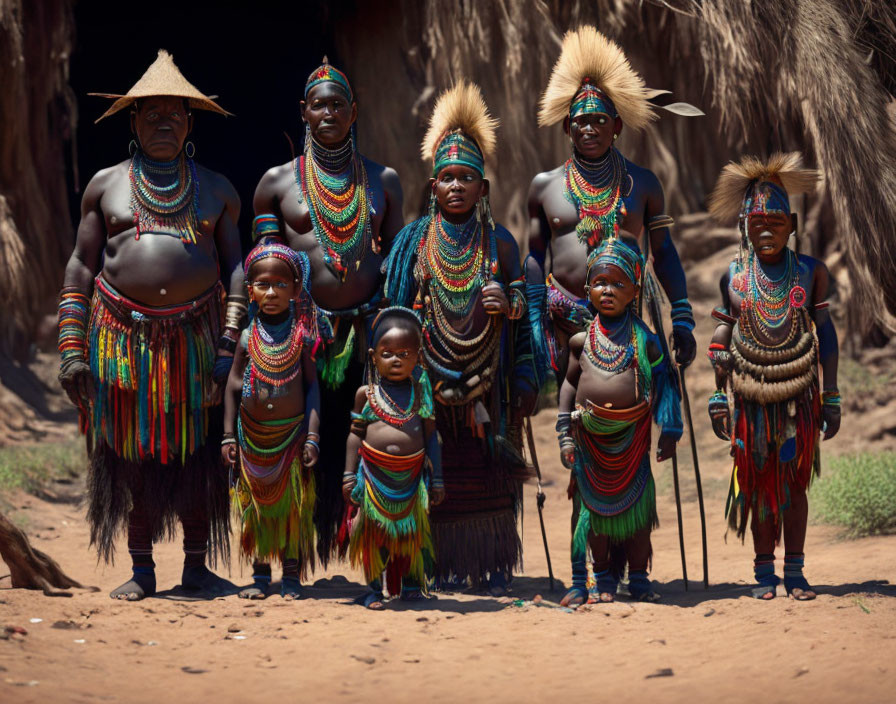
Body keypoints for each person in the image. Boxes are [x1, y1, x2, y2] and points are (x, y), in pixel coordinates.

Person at [57, 50, 245, 600]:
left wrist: (228, 345)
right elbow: (79, 264)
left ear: (191, 123)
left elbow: (237, 268)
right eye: (151, 112)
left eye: (175, 112)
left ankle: (195, 567)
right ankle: (142, 571)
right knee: (131, 455)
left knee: (197, 457)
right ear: (133, 122)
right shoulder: (105, 185)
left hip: (197, 339)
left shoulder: (217, 190)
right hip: (121, 340)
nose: (164, 120)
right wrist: (71, 344)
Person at [527, 26, 697, 605]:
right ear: (566, 125)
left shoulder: (643, 186)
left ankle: (635, 571)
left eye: (601, 118)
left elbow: (666, 256)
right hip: (564, 331)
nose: (590, 127)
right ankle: (587, 575)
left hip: (633, 334)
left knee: (633, 460)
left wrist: (681, 317)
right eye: (580, 119)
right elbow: (532, 260)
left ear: (618, 124)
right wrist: (530, 322)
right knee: (580, 456)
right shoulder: (545, 188)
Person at [384, 82, 535, 595]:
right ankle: (429, 563)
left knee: (486, 474)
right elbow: (395, 314)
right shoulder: (411, 245)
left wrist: (507, 305)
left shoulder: (501, 244)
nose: (455, 186)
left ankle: (489, 565)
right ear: (432, 186)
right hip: (427, 387)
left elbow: (524, 310)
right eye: (446, 177)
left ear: (483, 189)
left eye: (466, 178)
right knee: (432, 470)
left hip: (487, 388)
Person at [252, 58, 404, 563]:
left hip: (369, 335)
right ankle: (290, 560)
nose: (329, 112)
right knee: (300, 439)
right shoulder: (276, 183)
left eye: (339, 104)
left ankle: (374, 554)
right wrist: (238, 333)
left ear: (354, 111)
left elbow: (399, 263)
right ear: (304, 111)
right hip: (300, 337)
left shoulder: (385, 180)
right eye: (319, 104)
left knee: (370, 435)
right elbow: (260, 267)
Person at [706, 153, 840, 601]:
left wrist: (833, 395)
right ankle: (765, 574)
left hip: (799, 394)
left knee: (793, 479)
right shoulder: (736, 277)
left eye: (775, 220)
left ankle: (796, 572)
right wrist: (716, 384)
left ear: (793, 222)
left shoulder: (810, 273)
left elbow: (825, 333)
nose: (766, 229)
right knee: (758, 477)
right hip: (749, 397)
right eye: (756, 220)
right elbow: (724, 329)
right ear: (743, 224)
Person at [556, 237, 682, 603]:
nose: (607, 291)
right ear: (586, 289)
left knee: (638, 517)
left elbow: (664, 385)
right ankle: (600, 578)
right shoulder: (580, 341)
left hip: (632, 443)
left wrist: (669, 429)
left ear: (635, 291)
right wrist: (565, 433)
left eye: (617, 284)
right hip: (589, 444)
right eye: (599, 283)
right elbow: (568, 386)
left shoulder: (647, 341)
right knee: (590, 516)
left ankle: (640, 579)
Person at [221, 243, 321, 600]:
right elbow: (233, 385)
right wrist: (227, 436)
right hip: (252, 438)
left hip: (290, 437)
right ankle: (260, 575)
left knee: (293, 507)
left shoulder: (302, 336)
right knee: (255, 507)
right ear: (250, 291)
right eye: (263, 285)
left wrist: (312, 437)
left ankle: (291, 577)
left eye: (281, 284)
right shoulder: (247, 337)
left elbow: (312, 389)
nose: (272, 292)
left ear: (296, 289)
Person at [342, 307, 443, 609]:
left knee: (412, 533)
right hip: (374, 478)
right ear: (373, 357)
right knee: (374, 534)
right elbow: (354, 436)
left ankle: (412, 586)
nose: (396, 360)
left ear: (418, 357)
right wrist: (348, 475)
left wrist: (437, 478)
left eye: (404, 353)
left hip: (411, 479)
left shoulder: (421, 394)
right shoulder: (365, 394)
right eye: (387, 354)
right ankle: (374, 588)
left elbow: (432, 437)